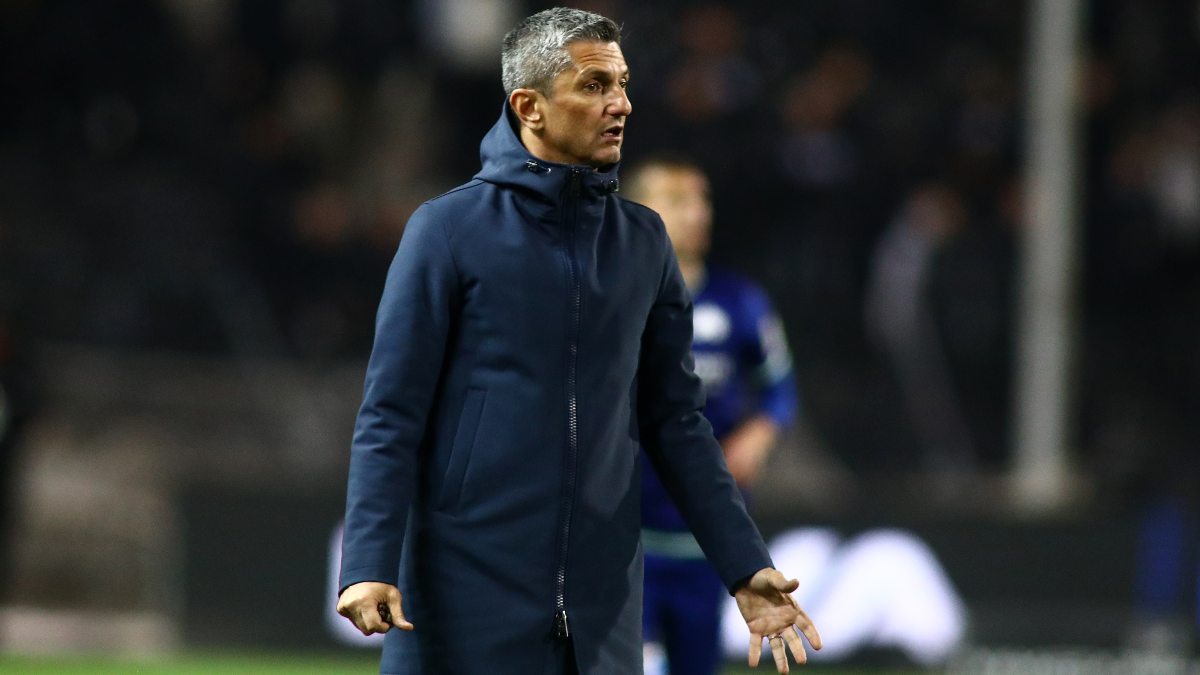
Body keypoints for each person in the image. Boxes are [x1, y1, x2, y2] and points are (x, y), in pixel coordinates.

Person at [334, 7, 821, 675]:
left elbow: (677, 423)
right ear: (529, 107)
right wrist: (367, 562)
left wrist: (744, 565)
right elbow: (392, 413)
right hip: (462, 600)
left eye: (621, 84)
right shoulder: (447, 230)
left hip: (601, 616)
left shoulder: (643, 241)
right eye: (594, 85)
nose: (620, 103)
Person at [623, 158, 799, 675]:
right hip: (624, 538)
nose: (697, 214)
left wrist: (760, 432)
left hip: (707, 542)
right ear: (637, 211)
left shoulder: (739, 300)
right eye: (678, 200)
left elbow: (780, 388)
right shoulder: (611, 300)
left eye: (702, 200)